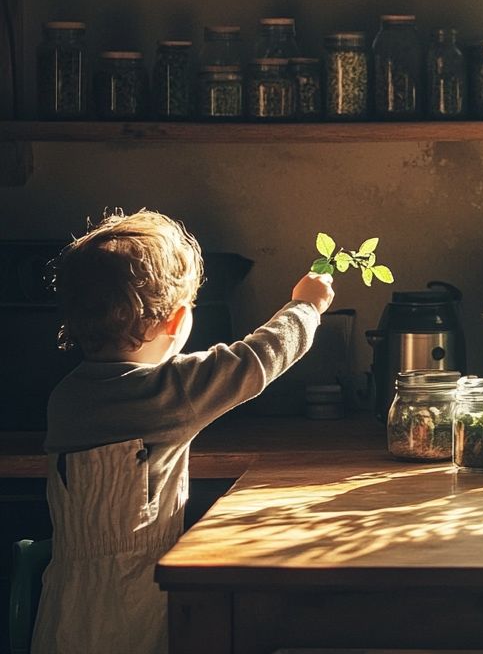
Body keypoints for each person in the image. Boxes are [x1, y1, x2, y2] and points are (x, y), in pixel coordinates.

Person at [32, 209, 334, 654]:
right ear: (175, 320)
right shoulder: (171, 392)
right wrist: (306, 306)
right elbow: (258, 359)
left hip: (66, 603)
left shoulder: (65, 396)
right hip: (140, 600)